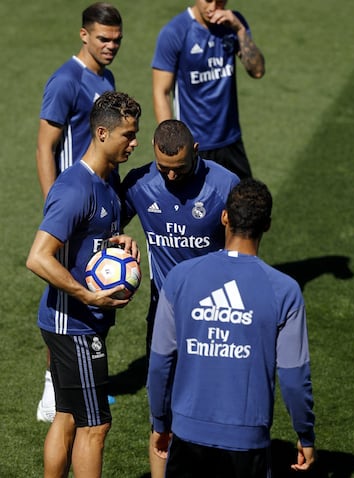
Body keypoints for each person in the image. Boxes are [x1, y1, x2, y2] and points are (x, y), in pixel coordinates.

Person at [147, 178, 317, 478]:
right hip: (247, 441)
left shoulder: (180, 277)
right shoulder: (285, 290)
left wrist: (160, 423)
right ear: (267, 225)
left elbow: (161, 361)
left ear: (224, 216)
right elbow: (293, 377)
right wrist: (305, 434)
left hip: (187, 435)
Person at [26, 91, 142, 478]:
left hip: (74, 322)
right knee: (95, 425)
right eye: (128, 135)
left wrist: (115, 242)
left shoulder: (108, 181)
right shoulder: (76, 187)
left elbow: (87, 240)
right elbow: (38, 257)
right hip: (74, 325)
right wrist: (86, 294)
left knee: (68, 416)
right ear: (103, 133)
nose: (135, 142)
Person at [120, 119, 239, 477]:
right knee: (162, 416)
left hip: (213, 317)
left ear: (197, 152)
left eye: (180, 169)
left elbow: (241, 255)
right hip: (164, 316)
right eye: (163, 169)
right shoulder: (140, 184)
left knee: (213, 411)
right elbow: (106, 226)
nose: (171, 177)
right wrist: (118, 241)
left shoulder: (224, 185)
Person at [36, 2, 123, 422]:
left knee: (83, 288)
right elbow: (44, 146)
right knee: (65, 291)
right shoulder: (65, 81)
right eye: (103, 39)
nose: (111, 46)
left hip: (97, 200)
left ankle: (73, 385)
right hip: (75, 203)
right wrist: (55, 203)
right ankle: (53, 390)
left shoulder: (105, 78)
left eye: (117, 40)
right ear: (84, 35)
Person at [152, 0, 265, 180]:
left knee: (246, 205)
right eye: (208, 0)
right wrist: (168, 142)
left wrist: (240, 30)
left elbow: (257, 71)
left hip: (231, 142)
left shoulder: (233, 25)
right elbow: (161, 92)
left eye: (219, 1)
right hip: (193, 147)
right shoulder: (175, 32)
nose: (213, 7)